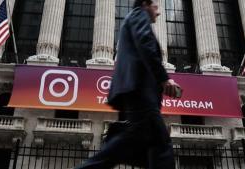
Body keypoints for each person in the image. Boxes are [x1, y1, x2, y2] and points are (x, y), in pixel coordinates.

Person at [75, 0, 181, 168]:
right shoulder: (139, 15)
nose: (158, 12)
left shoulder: (133, 18)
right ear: (145, 3)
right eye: (156, 7)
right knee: (161, 146)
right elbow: (146, 45)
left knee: (133, 146)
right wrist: (163, 78)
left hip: (137, 93)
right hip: (139, 92)